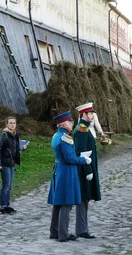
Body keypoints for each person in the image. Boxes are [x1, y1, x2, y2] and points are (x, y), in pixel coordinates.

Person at [47, 111, 92, 242]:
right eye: (69, 122)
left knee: (58, 202)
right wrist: (84, 160)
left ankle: (54, 231)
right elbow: (70, 158)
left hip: (58, 170)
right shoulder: (65, 138)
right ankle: (63, 233)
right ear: (63, 124)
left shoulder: (56, 136)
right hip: (66, 172)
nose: (72, 123)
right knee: (66, 203)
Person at [73, 102, 101, 239]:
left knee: (85, 198)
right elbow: (82, 152)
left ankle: (82, 228)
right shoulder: (81, 130)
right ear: (83, 114)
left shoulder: (85, 128)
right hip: (84, 169)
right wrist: (88, 169)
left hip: (87, 167)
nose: (92, 116)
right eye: (90, 113)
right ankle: (81, 229)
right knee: (83, 198)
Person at [0, 116, 26, 214]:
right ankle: (3, 206)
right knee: (6, 185)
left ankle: (7, 205)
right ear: (6, 125)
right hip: (5, 163)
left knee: (10, 185)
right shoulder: (5, 135)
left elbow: (14, 149)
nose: (12, 125)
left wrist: (22, 148)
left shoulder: (15, 135)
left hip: (12, 163)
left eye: (14, 123)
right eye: (10, 123)